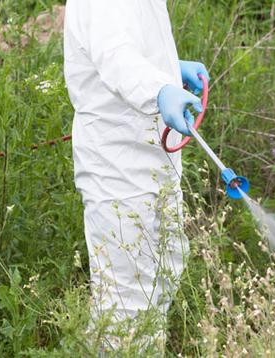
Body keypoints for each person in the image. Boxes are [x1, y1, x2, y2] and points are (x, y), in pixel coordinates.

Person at [63, 0, 210, 351]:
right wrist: (158, 89)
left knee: (165, 267)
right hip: (118, 168)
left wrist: (167, 68)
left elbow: (127, 43)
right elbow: (115, 55)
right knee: (126, 300)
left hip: (149, 160)